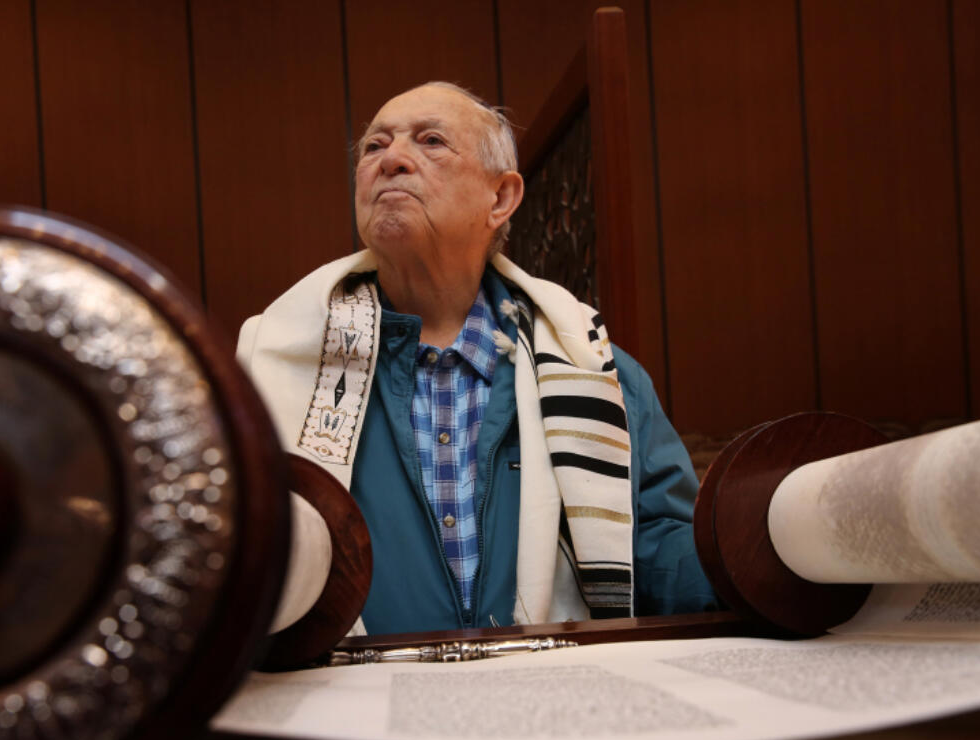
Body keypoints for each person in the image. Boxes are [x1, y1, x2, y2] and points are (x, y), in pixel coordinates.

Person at [237, 81, 716, 639]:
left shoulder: (598, 372)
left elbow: (656, 544)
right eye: (374, 146)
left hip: (551, 702)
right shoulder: (274, 363)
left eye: (431, 141)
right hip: (353, 709)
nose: (391, 160)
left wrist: (766, 545)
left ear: (500, 198)